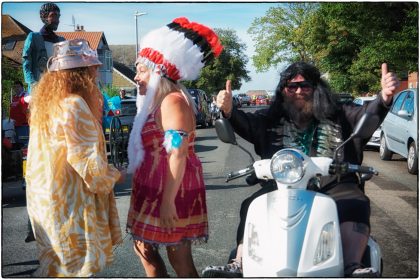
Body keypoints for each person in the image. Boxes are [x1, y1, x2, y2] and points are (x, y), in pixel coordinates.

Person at [203, 61, 399, 277]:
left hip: (334, 182)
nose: (298, 91)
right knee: (252, 205)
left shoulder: (341, 113)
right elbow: (247, 123)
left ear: (317, 88)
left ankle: (353, 265)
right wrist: (230, 110)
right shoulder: (270, 118)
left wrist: (384, 98)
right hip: (281, 185)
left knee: (355, 203)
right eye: (292, 87)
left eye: (305, 86)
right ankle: (240, 261)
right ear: (283, 90)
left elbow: (366, 116)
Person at [126, 17, 223, 277]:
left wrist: (168, 201)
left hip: (171, 190)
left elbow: (178, 151)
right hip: (152, 188)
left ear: (158, 71)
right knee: (144, 250)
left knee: (179, 260)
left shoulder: (171, 101)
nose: (136, 77)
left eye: (141, 70)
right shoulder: (156, 102)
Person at [25, 39, 123, 277]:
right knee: (75, 269)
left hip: (45, 201)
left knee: (57, 267)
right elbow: (88, 164)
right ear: (80, 73)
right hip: (68, 204)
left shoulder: (45, 105)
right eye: (94, 67)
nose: (98, 71)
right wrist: (115, 176)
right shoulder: (74, 104)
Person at [22, 2, 65, 94]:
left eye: (58, 16)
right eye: (53, 15)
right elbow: (26, 64)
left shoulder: (61, 40)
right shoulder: (33, 37)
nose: (57, 20)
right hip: (38, 89)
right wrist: (33, 84)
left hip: (56, 89)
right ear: (44, 17)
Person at [9, 81, 29, 147]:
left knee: (24, 142)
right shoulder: (14, 97)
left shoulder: (25, 95)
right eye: (15, 87)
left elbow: (27, 101)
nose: (16, 88)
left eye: (18, 87)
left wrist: (19, 102)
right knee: (17, 143)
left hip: (23, 124)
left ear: (22, 87)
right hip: (14, 125)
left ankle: (25, 156)